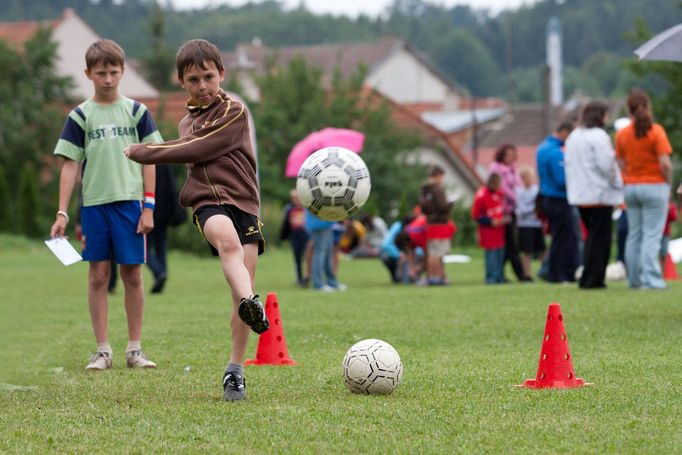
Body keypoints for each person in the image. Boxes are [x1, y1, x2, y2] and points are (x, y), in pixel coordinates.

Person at [124, 39, 269, 401]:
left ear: (222, 74)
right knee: (228, 244)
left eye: (208, 77)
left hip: (244, 203)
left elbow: (199, 147)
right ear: (181, 82)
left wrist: (144, 152)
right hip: (206, 203)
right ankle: (252, 301)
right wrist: (152, 151)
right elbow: (189, 145)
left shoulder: (236, 112)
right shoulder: (187, 121)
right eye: (193, 80)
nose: (202, 86)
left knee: (241, 284)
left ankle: (235, 369)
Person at [49, 39, 162, 371]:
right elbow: (70, 164)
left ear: (123, 71)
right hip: (95, 206)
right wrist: (62, 211)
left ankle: (135, 350)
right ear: (88, 74)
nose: (108, 79)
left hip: (130, 204)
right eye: (101, 73)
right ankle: (102, 351)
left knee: (133, 274)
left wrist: (149, 206)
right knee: (98, 276)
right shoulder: (80, 115)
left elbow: (151, 158)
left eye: (114, 72)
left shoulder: (138, 111)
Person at [616, 89, 673, 289]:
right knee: (652, 235)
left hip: (631, 187)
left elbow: (620, 162)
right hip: (654, 185)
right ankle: (652, 280)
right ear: (647, 106)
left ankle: (634, 279)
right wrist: (669, 182)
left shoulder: (622, 134)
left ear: (628, 109)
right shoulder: (656, 131)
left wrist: (630, 175)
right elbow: (665, 163)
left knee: (634, 235)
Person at [565, 101, 624, 289]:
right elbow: (606, 164)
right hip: (599, 194)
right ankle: (595, 278)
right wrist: (617, 183)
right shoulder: (598, 136)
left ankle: (587, 276)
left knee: (591, 238)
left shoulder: (574, 136)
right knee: (600, 240)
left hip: (580, 195)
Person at [536, 122, 580, 283]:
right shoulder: (555, 152)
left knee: (558, 238)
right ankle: (560, 274)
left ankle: (552, 272)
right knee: (565, 239)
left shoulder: (542, 147)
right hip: (559, 199)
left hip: (547, 198)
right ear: (564, 132)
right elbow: (562, 180)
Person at [488, 144, 528, 281]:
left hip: (512, 210)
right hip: (501, 211)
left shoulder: (513, 170)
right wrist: (519, 199)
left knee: (509, 244)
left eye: (512, 154)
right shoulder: (497, 169)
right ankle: (520, 274)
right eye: (508, 154)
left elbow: (518, 186)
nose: (510, 157)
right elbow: (504, 189)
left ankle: (499, 273)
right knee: (509, 244)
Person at [420, 165, 455, 285]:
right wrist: (450, 203)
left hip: (430, 223)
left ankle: (431, 277)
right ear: (438, 176)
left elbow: (424, 208)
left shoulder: (425, 190)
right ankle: (437, 278)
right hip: (440, 223)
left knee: (432, 252)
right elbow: (442, 206)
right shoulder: (437, 189)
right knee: (438, 253)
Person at [472, 173, 510, 284]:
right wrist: (490, 221)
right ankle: (491, 278)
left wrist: (505, 218)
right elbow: (476, 215)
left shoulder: (499, 194)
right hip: (488, 232)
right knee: (491, 255)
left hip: (499, 231)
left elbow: (500, 209)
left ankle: (499, 277)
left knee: (500, 254)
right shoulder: (481, 195)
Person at [515, 166, 546, 280]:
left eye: (529, 176)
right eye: (524, 177)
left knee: (542, 249)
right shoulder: (519, 192)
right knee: (527, 251)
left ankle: (544, 271)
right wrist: (533, 208)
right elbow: (522, 210)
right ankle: (527, 274)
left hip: (537, 224)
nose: (527, 179)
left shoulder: (537, 190)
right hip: (525, 225)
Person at [305, 210, 346, 291]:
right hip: (319, 224)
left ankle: (332, 282)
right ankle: (318, 284)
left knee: (328, 254)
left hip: (327, 224)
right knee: (319, 253)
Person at [280, 189, 309, 287]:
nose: (296, 200)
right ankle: (299, 278)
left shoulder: (306, 208)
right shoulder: (289, 209)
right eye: (294, 198)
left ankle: (307, 276)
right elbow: (285, 223)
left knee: (307, 256)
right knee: (297, 258)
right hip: (294, 235)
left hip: (306, 235)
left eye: (298, 198)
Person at [659, 198, 677, 274]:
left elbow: (674, 218)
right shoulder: (657, 203)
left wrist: (668, 211)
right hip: (656, 233)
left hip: (666, 233)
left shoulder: (671, 205)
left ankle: (662, 273)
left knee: (663, 253)